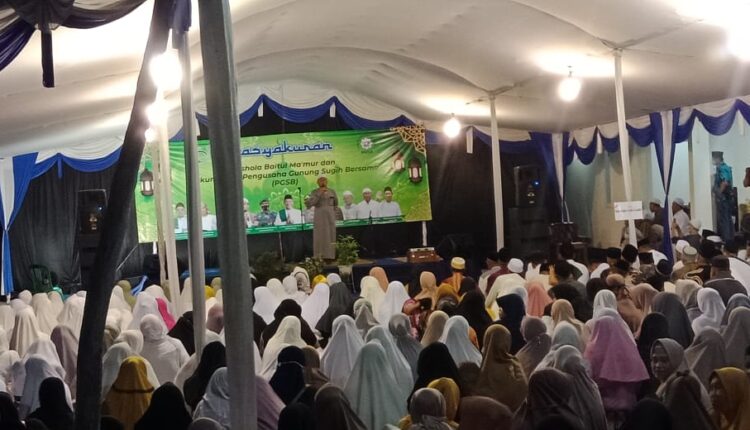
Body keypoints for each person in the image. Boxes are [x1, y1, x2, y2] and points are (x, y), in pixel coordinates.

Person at [307, 176, 338, 260]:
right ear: (317, 183)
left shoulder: (332, 191)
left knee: (330, 235)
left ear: (327, 182)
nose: (323, 182)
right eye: (320, 181)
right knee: (319, 236)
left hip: (330, 216)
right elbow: (310, 204)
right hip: (319, 216)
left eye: (324, 180)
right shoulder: (314, 192)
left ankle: (330, 256)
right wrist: (319, 194)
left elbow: (336, 204)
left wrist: (332, 213)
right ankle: (319, 257)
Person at [713, 151, 735, 243]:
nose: (713, 161)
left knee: (724, 221)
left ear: (718, 158)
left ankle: (727, 242)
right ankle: (730, 241)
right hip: (727, 198)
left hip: (724, 199)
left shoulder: (722, 168)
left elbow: (725, 182)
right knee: (728, 220)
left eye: (714, 158)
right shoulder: (726, 167)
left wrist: (719, 193)